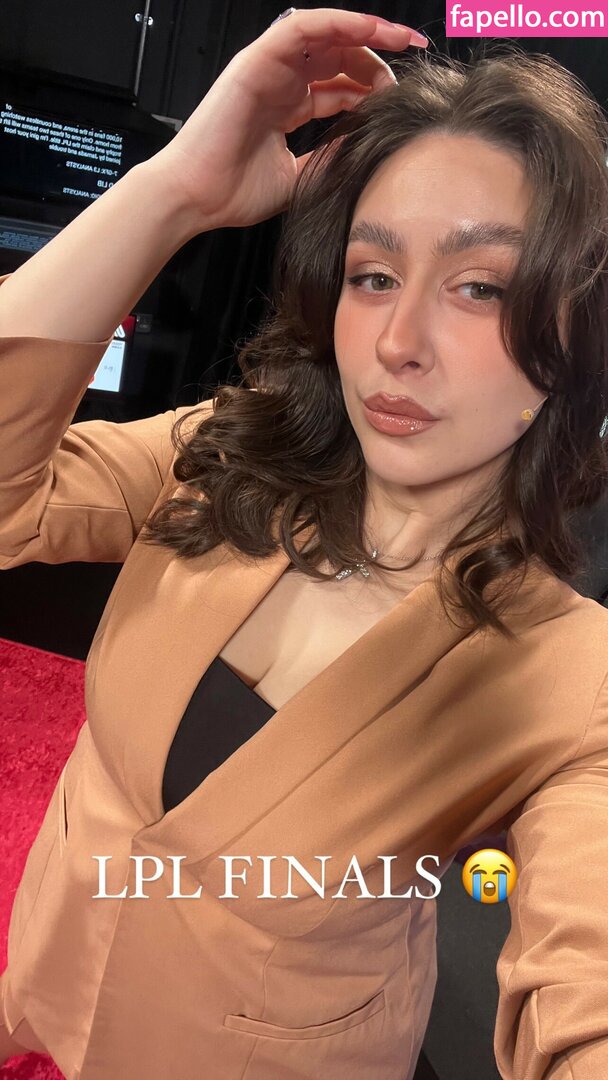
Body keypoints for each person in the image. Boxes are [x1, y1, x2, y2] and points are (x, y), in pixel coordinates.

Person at [0, 6, 607, 1079]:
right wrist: (173, 191)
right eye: (373, 275)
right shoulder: (225, 455)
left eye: (480, 287)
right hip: (50, 968)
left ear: (573, 333)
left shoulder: (568, 680)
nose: (397, 342)